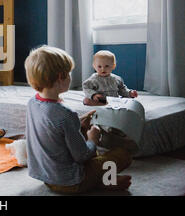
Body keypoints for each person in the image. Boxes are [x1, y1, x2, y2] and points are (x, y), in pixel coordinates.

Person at [24, 45, 132, 194]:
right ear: (61, 76)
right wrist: (92, 139)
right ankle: (105, 181)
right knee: (123, 154)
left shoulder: (32, 103)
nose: (70, 76)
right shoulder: (65, 114)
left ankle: (99, 180)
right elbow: (82, 156)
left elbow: (54, 131)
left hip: (46, 177)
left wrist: (78, 125)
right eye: (68, 73)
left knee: (91, 148)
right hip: (71, 181)